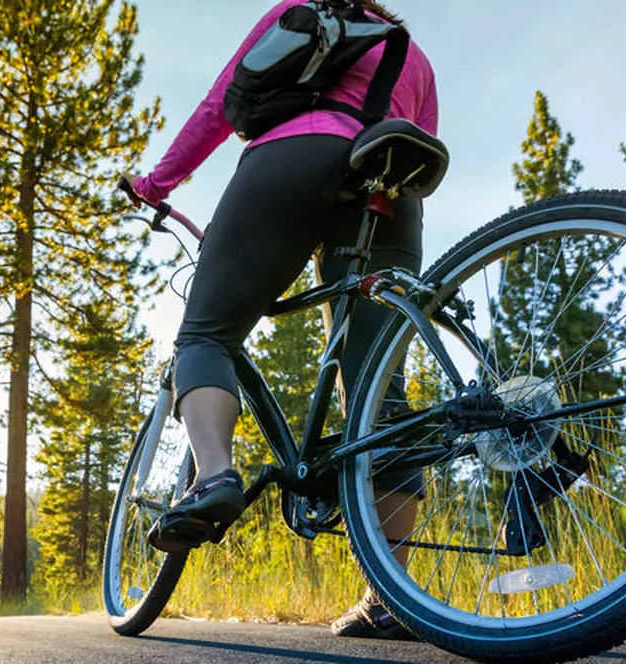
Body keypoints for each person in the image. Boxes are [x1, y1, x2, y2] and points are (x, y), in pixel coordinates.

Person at [127, 0, 438, 641]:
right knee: (379, 391)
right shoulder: (418, 56)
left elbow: (222, 102)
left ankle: (213, 479)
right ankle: (393, 595)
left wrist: (159, 183)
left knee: (207, 334)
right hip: (391, 187)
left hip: (294, 160)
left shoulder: (303, 12)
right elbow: (425, 141)